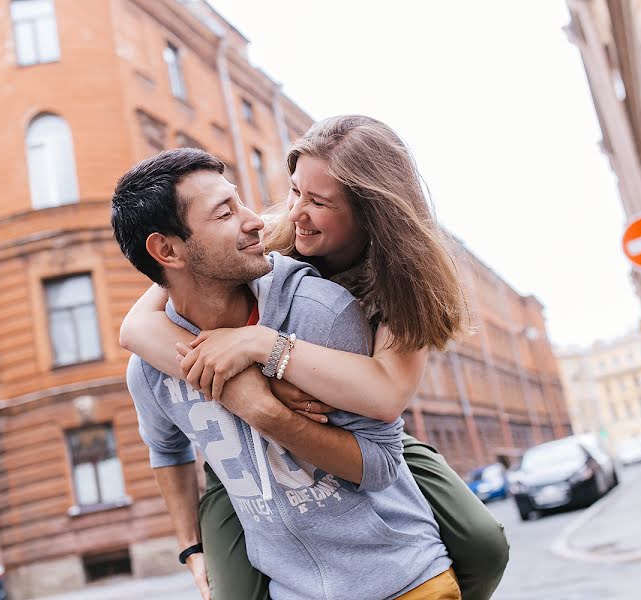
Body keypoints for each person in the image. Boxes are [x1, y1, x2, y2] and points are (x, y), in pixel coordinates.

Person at [121, 116, 508, 600]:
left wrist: (265, 349)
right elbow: (137, 326)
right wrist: (249, 392)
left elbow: (385, 397)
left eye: (318, 202)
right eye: (294, 191)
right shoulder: (274, 238)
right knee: (231, 593)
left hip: (354, 417)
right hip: (239, 453)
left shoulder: (403, 285)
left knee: (482, 543)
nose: (293, 212)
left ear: (371, 215)